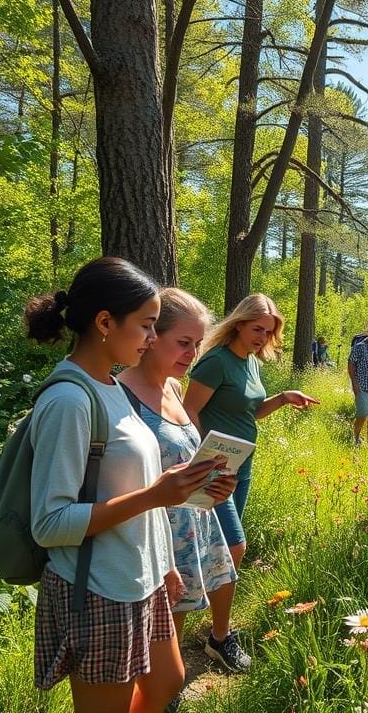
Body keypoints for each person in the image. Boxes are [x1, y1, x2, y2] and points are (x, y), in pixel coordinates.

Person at [26, 257, 224, 713]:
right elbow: (49, 524)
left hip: (141, 577)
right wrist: (156, 495)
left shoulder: (111, 387)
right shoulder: (69, 400)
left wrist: (163, 564)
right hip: (98, 587)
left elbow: (139, 486)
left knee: (168, 681)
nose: (153, 338)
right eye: (147, 325)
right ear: (104, 323)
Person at [117, 288, 250, 675]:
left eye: (197, 344)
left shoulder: (174, 388)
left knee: (178, 621)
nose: (192, 354)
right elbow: (120, 479)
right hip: (154, 533)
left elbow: (183, 458)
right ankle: (162, 693)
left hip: (192, 522)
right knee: (161, 637)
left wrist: (215, 482)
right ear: (152, 336)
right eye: (183, 342)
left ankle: (176, 680)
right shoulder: (120, 395)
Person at [183, 293, 319, 574]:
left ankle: (206, 591)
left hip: (242, 466)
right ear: (239, 324)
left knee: (221, 544)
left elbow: (251, 411)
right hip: (216, 467)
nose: (263, 337)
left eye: (268, 332)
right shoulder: (217, 361)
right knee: (234, 545)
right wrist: (203, 457)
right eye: (257, 329)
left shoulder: (251, 362)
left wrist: (282, 398)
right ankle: (213, 599)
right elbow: (189, 410)